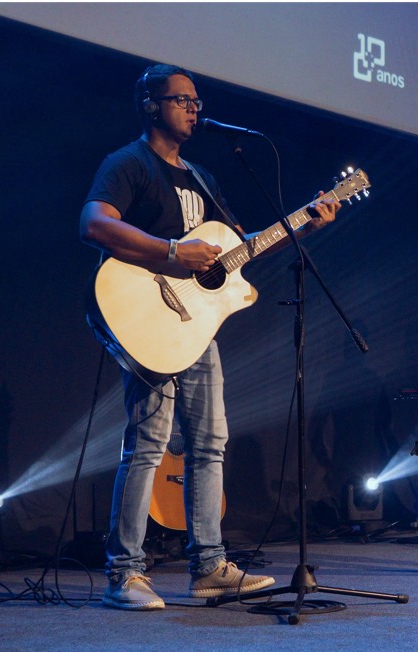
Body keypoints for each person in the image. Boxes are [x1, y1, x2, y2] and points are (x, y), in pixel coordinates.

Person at [79, 64, 341, 609]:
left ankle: (209, 566)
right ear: (151, 105)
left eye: (197, 101)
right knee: (148, 444)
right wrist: (173, 252)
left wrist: (305, 222)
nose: (194, 109)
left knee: (209, 443)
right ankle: (124, 573)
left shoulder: (200, 177)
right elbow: (96, 224)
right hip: (148, 319)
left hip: (195, 328)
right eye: (182, 100)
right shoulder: (128, 163)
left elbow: (239, 248)